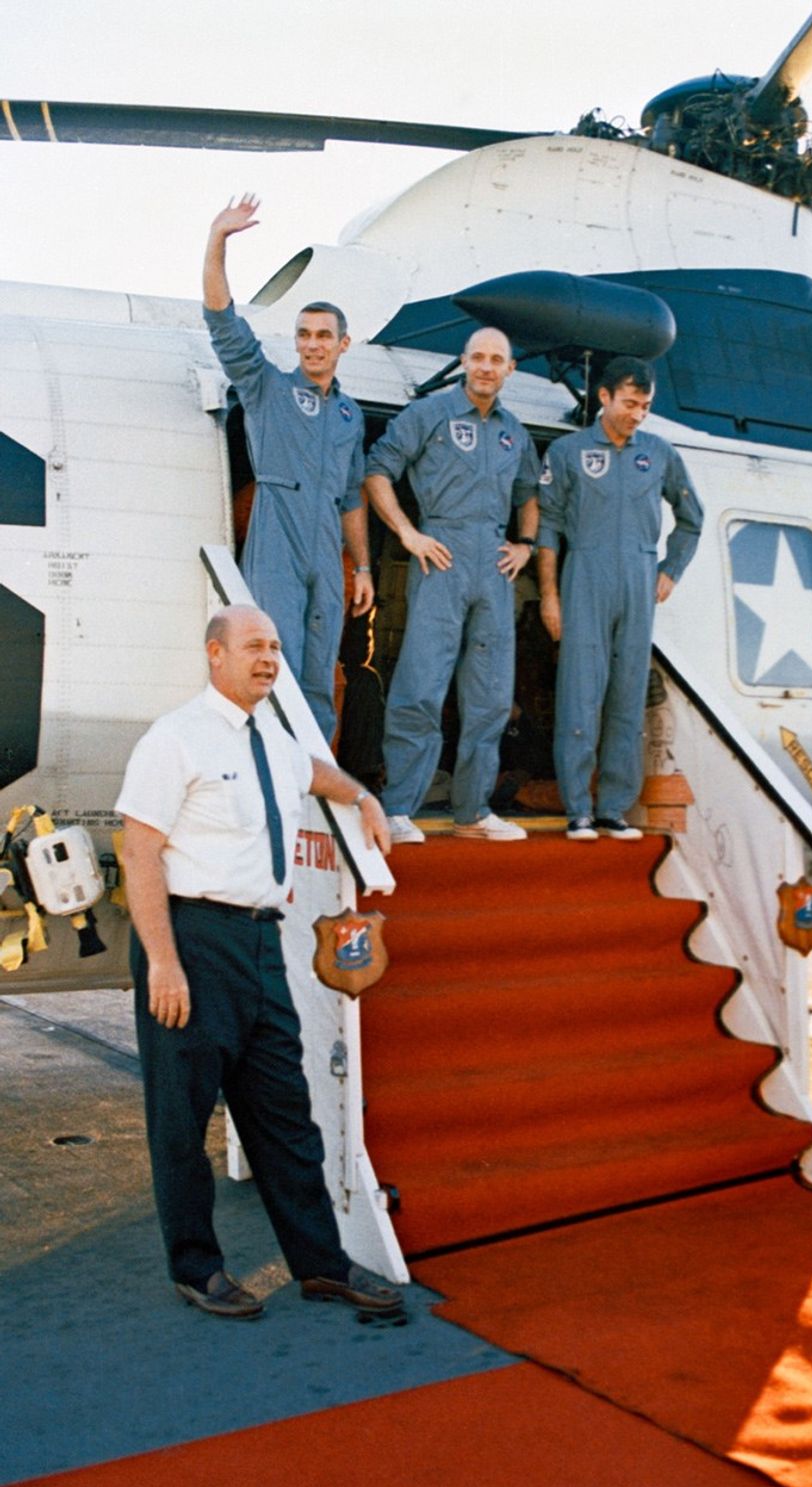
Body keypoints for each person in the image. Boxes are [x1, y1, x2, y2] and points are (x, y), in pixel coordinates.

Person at [116, 604, 402, 1320]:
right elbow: (138, 850)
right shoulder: (174, 738)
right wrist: (163, 963)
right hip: (193, 939)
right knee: (181, 1120)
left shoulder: (272, 743)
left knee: (285, 1114)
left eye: (274, 647)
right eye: (253, 647)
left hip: (261, 942)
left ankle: (321, 1265)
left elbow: (319, 776)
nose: (269, 659)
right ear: (215, 654)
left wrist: (363, 796)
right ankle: (197, 1268)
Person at [203, 194, 373, 742]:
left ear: (343, 344)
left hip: (327, 547)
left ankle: (311, 787)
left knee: (321, 672)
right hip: (277, 531)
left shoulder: (350, 415)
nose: (312, 344)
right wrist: (217, 241)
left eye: (324, 335)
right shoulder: (268, 388)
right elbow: (223, 324)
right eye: (304, 334)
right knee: (273, 663)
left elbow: (351, 498)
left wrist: (364, 567)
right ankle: (268, 776)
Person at [364, 327, 540, 843]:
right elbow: (378, 473)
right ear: (463, 361)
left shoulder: (515, 432)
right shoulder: (428, 415)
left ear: (511, 369)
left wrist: (525, 543)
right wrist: (408, 533)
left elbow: (530, 492)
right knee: (421, 684)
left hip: (494, 564)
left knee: (490, 695)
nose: (486, 367)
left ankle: (473, 811)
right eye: (478, 357)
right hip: (440, 554)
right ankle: (399, 808)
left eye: (497, 360)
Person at [537, 356, 704, 841]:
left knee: (628, 697)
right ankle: (579, 810)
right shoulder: (568, 452)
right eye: (629, 403)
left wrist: (670, 570)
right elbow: (548, 525)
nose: (637, 414)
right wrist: (549, 595)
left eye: (646, 406)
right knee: (580, 696)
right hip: (583, 573)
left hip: (638, 575)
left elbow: (692, 517)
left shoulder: (660, 453)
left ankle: (613, 808)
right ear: (605, 397)